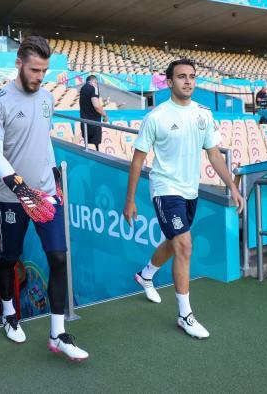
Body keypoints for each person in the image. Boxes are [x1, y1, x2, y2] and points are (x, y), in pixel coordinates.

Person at [122, 58, 244, 340]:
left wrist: (233, 188)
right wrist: (130, 200)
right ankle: (185, 316)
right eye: (181, 76)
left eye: (192, 76)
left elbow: (214, 155)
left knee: (173, 241)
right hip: (165, 189)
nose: (188, 81)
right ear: (169, 82)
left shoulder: (203, 114)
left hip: (190, 191)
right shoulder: (156, 117)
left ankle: (146, 275)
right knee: (185, 245)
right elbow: (138, 161)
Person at [0, 36, 89, 361]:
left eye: (44, 71)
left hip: (45, 195)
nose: (39, 77)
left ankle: (57, 334)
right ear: (19, 63)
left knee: (58, 258)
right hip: (13, 198)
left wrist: (54, 181)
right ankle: (8, 314)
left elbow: (44, 141)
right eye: (34, 70)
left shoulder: (47, 98)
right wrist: (19, 188)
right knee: (9, 258)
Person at [79, 75, 108, 150]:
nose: (97, 85)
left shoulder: (83, 88)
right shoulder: (94, 88)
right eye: (96, 83)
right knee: (95, 148)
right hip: (94, 123)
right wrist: (105, 115)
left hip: (84, 122)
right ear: (94, 81)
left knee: (87, 148)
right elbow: (96, 105)